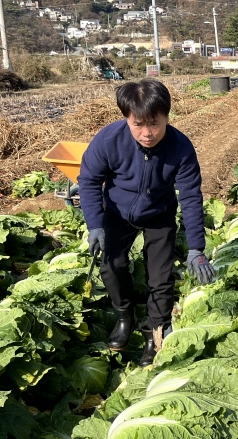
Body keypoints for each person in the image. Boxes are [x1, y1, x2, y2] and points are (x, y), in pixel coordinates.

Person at [79, 78, 216, 365]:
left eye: (154, 123)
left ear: (167, 115)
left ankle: (154, 331)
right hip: (117, 211)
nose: (146, 133)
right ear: (127, 118)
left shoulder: (180, 147)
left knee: (161, 276)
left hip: (159, 214)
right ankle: (124, 316)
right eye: (137, 124)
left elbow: (191, 196)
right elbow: (89, 182)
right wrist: (95, 225)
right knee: (112, 266)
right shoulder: (108, 140)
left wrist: (196, 248)